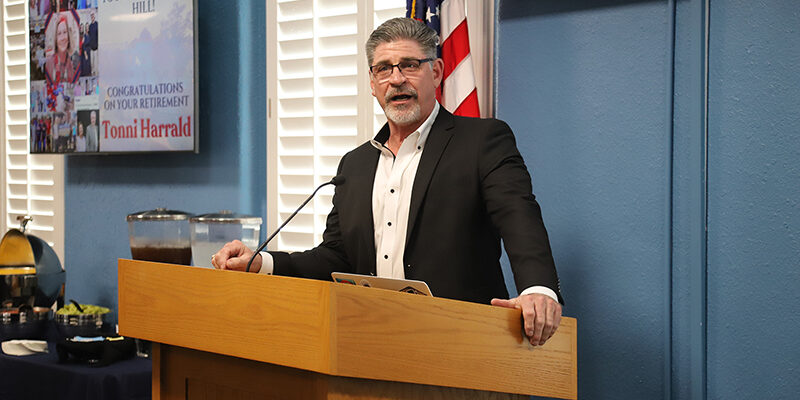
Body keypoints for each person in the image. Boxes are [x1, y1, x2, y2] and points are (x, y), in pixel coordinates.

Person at [213, 18, 563, 346]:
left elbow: (519, 218)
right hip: (371, 341)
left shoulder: (482, 141)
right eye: (383, 69)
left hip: (461, 343)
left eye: (410, 65)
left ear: (437, 71)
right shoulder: (356, 164)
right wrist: (261, 263)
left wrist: (538, 289)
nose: (396, 79)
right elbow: (336, 257)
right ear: (372, 84)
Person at [44, 14, 80, 84]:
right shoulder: (49, 63)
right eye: (59, 34)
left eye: (65, 32)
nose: (63, 38)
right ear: (56, 39)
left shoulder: (74, 62)